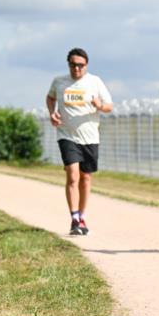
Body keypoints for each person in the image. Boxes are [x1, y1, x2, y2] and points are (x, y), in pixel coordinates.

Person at [46, 47, 113, 235]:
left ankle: (82, 216)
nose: (77, 69)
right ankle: (74, 219)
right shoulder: (59, 82)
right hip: (67, 135)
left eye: (81, 65)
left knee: (86, 177)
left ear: (86, 65)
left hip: (90, 137)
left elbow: (109, 106)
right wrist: (52, 113)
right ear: (69, 65)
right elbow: (50, 98)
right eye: (73, 65)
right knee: (73, 175)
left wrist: (100, 105)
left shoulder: (95, 82)